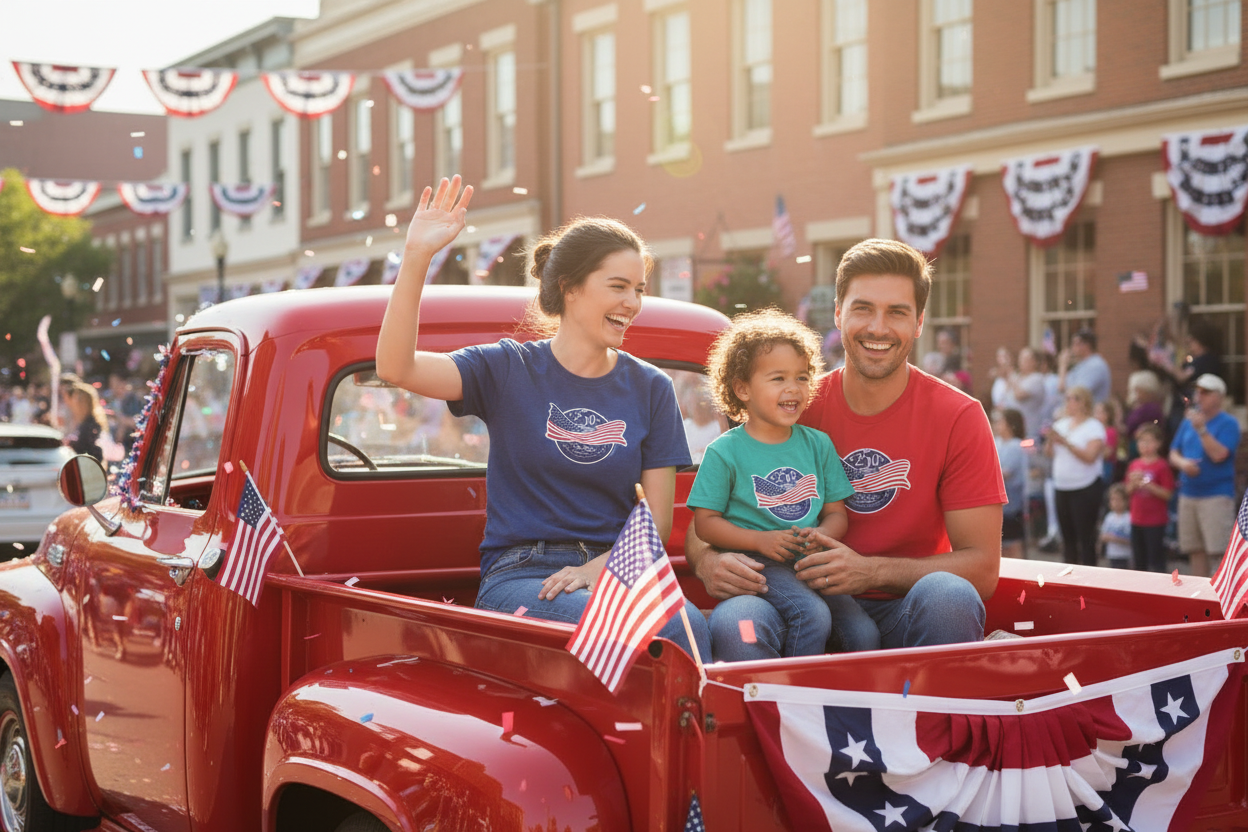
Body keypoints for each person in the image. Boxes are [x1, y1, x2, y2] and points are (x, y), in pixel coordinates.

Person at [374, 176, 710, 659]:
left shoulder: (651, 387)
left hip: (615, 570)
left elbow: (654, 527)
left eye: (638, 289)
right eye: (617, 287)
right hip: (519, 575)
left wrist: (598, 572)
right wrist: (417, 257)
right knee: (632, 632)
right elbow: (395, 367)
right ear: (569, 287)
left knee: (692, 628)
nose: (632, 304)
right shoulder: (507, 367)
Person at [688, 238, 1005, 659]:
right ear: (838, 313)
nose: (878, 327)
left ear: (919, 322)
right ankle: (774, 724)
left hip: (902, 608)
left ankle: (928, 723)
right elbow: (705, 520)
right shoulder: (793, 401)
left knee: (950, 595)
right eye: (862, 308)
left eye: (896, 312)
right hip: (793, 598)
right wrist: (709, 564)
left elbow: (982, 568)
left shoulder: (958, 416)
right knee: (737, 620)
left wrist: (869, 571)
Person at [687, 309, 872, 659]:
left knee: (863, 632)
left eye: (802, 378)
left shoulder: (818, 444)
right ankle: (797, 700)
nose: (793, 388)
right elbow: (705, 524)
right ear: (742, 388)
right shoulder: (725, 452)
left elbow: (837, 514)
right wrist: (761, 539)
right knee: (812, 616)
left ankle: (854, 706)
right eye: (778, 379)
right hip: (759, 561)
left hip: (812, 560)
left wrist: (822, 536)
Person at [1169, 373, 1241, 578]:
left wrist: (1201, 429)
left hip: (1216, 496)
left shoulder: (1229, 423)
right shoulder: (1188, 421)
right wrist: (1183, 463)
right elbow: (1173, 452)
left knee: (1217, 552)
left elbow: (1219, 455)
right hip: (1188, 493)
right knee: (1195, 550)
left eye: (1205, 392)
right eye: (1198, 391)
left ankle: (1220, 601)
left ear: (1219, 396)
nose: (1199, 396)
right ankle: (1201, 600)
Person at [1046, 385, 1106, 567]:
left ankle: (1090, 580)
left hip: (1085, 487)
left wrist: (1065, 442)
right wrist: (1050, 439)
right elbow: (1049, 454)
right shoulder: (1061, 424)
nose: (1069, 402)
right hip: (1062, 486)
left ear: (1084, 402)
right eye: (1068, 398)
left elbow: (1090, 457)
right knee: (1067, 537)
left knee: (1085, 537)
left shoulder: (1094, 426)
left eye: (1074, 398)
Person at [1125, 423, 1175, 573]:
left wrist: (1149, 485)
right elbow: (1127, 491)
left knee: (1156, 559)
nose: (1144, 445)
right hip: (1136, 519)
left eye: (1149, 441)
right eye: (1141, 441)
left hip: (1155, 521)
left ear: (1158, 443)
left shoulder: (1161, 465)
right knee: (1138, 560)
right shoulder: (1134, 465)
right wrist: (1134, 484)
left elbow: (1168, 494)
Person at [993, 407, 1027, 561]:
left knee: (1013, 545)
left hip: (1012, 503)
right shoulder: (997, 442)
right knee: (1000, 545)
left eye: (1001, 422)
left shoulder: (1015, 445)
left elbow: (1004, 473)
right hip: (998, 504)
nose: (996, 425)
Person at [1058, 328, 1111, 405]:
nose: (1072, 348)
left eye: (1075, 343)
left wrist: (1063, 365)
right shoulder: (1080, 365)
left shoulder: (1096, 365)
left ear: (1086, 345)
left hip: (1092, 414)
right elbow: (1062, 388)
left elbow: (1078, 394)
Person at [63, 381, 110, 463]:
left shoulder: (90, 425)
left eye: (76, 401)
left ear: (83, 404)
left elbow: (87, 448)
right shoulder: (84, 422)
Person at [1099, 484, 1132, 569]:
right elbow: (1103, 535)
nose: (1116, 503)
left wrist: (1115, 538)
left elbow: (1131, 539)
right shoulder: (1109, 517)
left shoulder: (1129, 517)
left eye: (1119, 500)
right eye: (1113, 499)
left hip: (1125, 556)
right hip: (1112, 555)